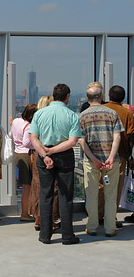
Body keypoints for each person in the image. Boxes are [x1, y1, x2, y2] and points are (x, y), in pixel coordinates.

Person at [30, 84, 82, 245]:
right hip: (64, 155)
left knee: (45, 194)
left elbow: (33, 138)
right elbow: (72, 141)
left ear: (53, 95)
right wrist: (53, 152)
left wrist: (45, 154)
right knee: (65, 196)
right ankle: (67, 235)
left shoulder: (40, 114)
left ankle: (45, 235)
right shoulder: (72, 115)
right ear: (67, 97)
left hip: (43, 154)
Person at [79, 86, 122, 237]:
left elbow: (82, 141)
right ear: (101, 96)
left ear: (87, 97)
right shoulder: (112, 113)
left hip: (91, 161)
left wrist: (94, 159)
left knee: (91, 194)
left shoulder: (82, 116)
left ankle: (92, 226)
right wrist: (110, 157)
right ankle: (110, 228)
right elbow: (117, 137)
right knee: (110, 195)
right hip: (111, 161)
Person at [102, 85, 134, 226]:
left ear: (109, 95)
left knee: (99, 186)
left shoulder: (101, 110)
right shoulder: (126, 113)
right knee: (115, 187)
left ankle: (98, 215)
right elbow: (130, 135)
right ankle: (111, 217)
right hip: (119, 155)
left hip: (98, 154)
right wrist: (129, 156)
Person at [28, 96, 60, 231]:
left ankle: (38, 218)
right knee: (52, 187)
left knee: (37, 185)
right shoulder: (51, 120)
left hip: (37, 155)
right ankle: (49, 219)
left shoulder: (36, 119)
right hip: (50, 152)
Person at [9, 104, 37, 222]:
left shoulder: (16, 121)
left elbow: (11, 135)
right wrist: (37, 143)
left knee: (26, 186)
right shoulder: (28, 125)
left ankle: (27, 212)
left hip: (17, 154)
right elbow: (26, 142)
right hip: (26, 156)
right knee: (28, 186)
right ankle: (25, 213)